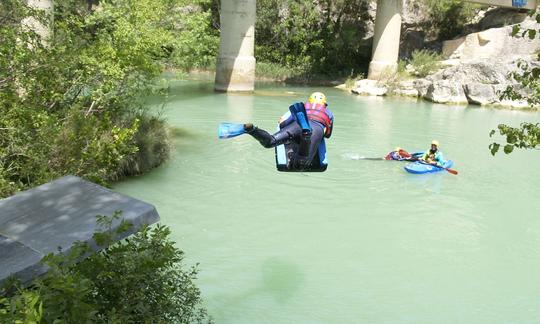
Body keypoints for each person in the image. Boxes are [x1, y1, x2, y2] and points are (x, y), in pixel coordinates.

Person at [243, 92, 334, 169]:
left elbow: (283, 124)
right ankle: (306, 136)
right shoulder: (328, 112)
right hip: (316, 128)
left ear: (309, 101)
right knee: (301, 165)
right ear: (324, 104)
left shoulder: (304, 107)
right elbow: (327, 135)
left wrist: (283, 124)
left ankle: (252, 130)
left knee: (270, 142)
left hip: (298, 124)